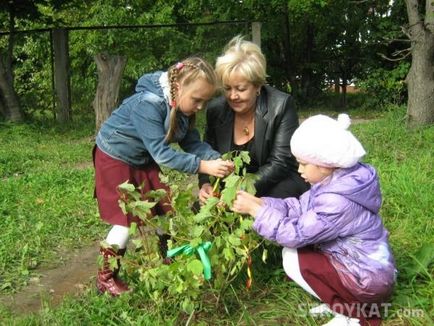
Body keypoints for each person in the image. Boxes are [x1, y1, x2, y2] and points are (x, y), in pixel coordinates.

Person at [231, 114, 397, 326]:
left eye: (303, 164)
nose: (299, 170)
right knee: (300, 255)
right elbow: (299, 207)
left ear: (325, 165)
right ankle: (339, 300)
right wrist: (262, 204)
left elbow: (296, 234)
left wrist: (257, 212)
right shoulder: (338, 182)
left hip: (365, 281)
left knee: (293, 257)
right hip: (366, 271)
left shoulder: (337, 201)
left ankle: (353, 314)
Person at [93, 57, 234, 296]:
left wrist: (215, 159)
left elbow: (192, 143)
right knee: (125, 220)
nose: (200, 107)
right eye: (197, 100)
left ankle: (168, 257)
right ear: (178, 87)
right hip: (115, 156)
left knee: (163, 208)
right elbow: (163, 154)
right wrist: (203, 167)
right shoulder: (148, 104)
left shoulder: (182, 109)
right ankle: (106, 278)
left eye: (205, 101)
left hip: (141, 157)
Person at [198, 35, 309, 204]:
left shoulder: (281, 105)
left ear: (257, 86)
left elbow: (280, 163)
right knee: (202, 211)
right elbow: (207, 153)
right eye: (227, 88)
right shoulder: (216, 110)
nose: (233, 96)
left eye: (241, 89)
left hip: (278, 181)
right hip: (233, 186)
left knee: (263, 214)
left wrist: (239, 191)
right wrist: (205, 183)